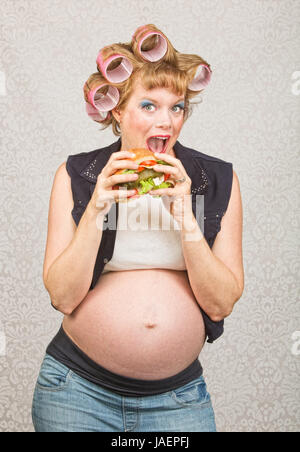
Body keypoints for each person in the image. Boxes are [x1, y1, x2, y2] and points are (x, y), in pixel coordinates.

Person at [31, 24, 244, 432]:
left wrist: (184, 216)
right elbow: (61, 295)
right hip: (77, 393)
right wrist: (98, 205)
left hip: (177, 400)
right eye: (149, 106)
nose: (167, 121)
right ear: (117, 110)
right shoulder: (77, 175)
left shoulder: (214, 181)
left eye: (177, 107)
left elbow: (221, 304)